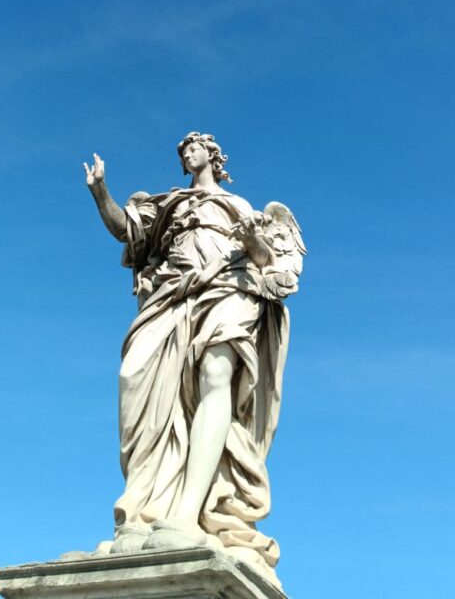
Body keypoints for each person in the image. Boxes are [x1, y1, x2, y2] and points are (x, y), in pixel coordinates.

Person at [84, 132, 304, 581]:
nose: (187, 152)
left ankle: (187, 513)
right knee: (136, 376)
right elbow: (128, 232)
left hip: (228, 287)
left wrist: (252, 241)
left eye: (195, 146)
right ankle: (146, 509)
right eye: (182, 149)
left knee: (216, 375)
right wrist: (100, 191)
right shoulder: (168, 204)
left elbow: (270, 264)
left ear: (214, 155)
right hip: (172, 296)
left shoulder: (242, 206)